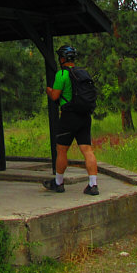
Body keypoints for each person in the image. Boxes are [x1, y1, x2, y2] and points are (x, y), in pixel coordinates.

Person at [43, 44, 99, 195]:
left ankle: (58, 183)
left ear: (61, 58)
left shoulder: (62, 74)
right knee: (87, 150)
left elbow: (55, 96)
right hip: (85, 116)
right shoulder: (83, 73)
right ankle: (93, 185)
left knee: (61, 150)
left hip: (68, 116)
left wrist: (48, 90)